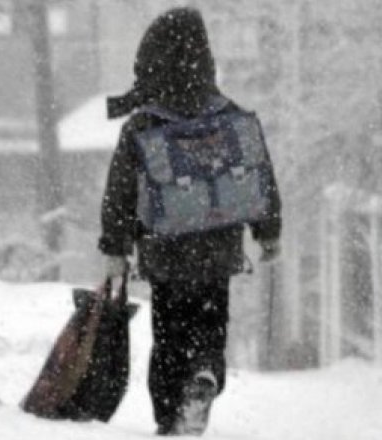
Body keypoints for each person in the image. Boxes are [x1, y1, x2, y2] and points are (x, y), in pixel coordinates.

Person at [98, 7, 282, 436]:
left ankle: (169, 419)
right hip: (219, 247)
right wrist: (269, 232)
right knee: (210, 324)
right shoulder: (230, 114)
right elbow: (260, 174)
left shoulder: (143, 123)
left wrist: (115, 248)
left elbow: (120, 193)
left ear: (151, 63)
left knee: (169, 332)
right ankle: (205, 373)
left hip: (165, 250)